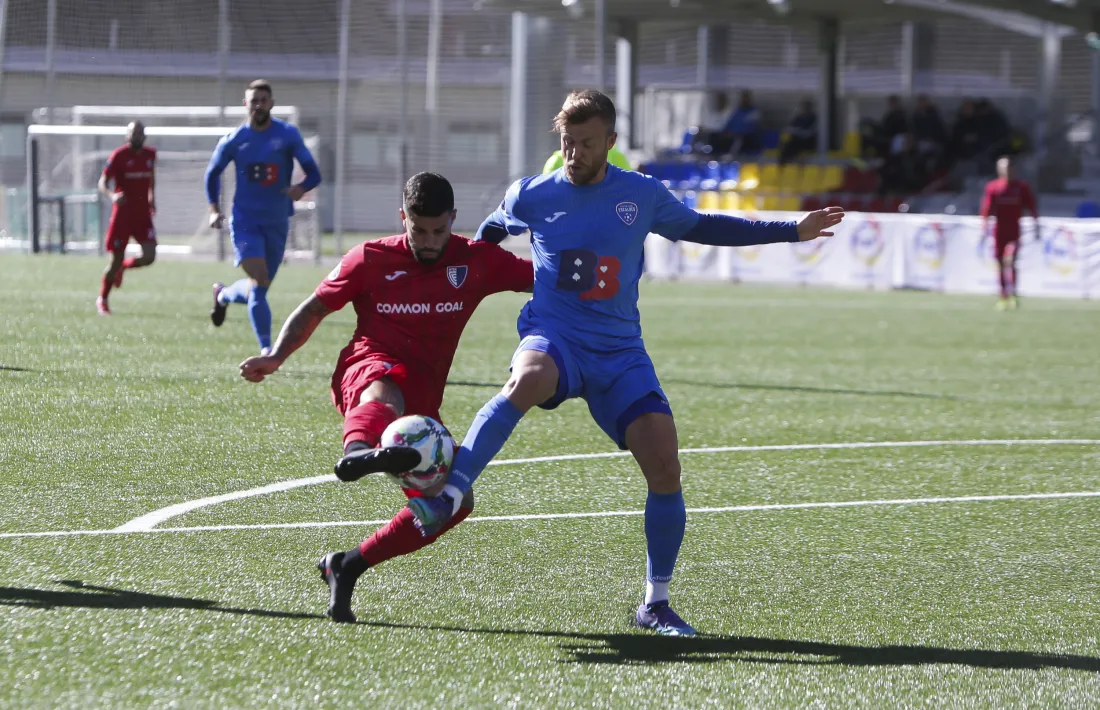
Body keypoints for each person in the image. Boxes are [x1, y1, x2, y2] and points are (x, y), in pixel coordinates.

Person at [404, 90, 844, 637]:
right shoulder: (533, 193)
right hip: (554, 335)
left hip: (619, 351)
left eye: (587, 143)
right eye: (567, 142)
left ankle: (655, 603)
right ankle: (448, 495)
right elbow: (492, 231)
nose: (575, 153)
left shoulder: (641, 194)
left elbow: (702, 226)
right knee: (529, 377)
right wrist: (465, 272)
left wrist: (790, 230)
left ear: (611, 141)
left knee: (665, 467)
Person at [238, 172, 534, 623]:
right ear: (403, 218)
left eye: (438, 230)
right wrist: (276, 355)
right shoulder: (370, 258)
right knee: (385, 386)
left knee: (454, 502)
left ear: (453, 219)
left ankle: (348, 565)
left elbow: (546, 279)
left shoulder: (477, 261)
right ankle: (358, 452)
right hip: (367, 369)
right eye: (419, 230)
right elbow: (315, 307)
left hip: (423, 402)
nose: (429, 241)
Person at [205, 79, 322, 355]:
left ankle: (223, 295)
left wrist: (300, 188)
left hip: (277, 222)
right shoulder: (235, 140)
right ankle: (267, 349)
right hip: (245, 222)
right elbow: (212, 173)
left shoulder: (287, 135)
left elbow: (314, 173)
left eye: (263, 100)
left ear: (271, 103)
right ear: (245, 104)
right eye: (253, 100)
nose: (258, 105)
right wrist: (214, 209)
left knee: (259, 287)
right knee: (258, 283)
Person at [96, 121, 156, 315]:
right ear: (127, 136)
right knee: (114, 261)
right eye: (133, 133)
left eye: (139, 133)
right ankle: (103, 299)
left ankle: (123, 267)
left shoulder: (150, 155)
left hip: (142, 214)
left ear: (144, 136)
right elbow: (102, 182)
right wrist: (112, 195)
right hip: (122, 215)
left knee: (149, 256)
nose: (136, 136)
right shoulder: (119, 156)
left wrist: (152, 199)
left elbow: (151, 178)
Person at [980, 156, 1039, 310]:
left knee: (1010, 259)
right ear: (999, 170)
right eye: (1003, 169)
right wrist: (984, 227)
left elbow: (1031, 205)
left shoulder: (1021, 187)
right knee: (1000, 263)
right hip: (999, 231)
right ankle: (1003, 296)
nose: (1007, 172)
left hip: (1014, 230)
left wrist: (1036, 223)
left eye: (1009, 168)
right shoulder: (993, 187)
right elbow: (987, 209)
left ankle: (1013, 293)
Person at [778, 99, 817, 165]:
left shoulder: (812, 117)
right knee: (787, 141)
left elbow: (808, 133)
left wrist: (798, 131)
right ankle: (784, 161)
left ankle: (788, 160)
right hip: (796, 139)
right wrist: (795, 131)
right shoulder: (798, 117)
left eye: (806, 107)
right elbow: (789, 128)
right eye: (804, 107)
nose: (804, 108)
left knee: (793, 143)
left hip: (807, 141)